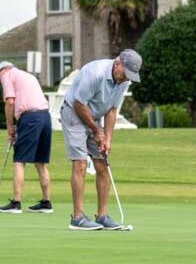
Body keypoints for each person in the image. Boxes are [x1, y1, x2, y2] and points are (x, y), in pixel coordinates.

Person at [59, 49, 142, 231]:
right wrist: (97, 131)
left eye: (130, 76)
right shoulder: (94, 73)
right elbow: (79, 104)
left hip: (94, 116)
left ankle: (102, 215)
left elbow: (112, 110)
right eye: (126, 74)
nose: (126, 79)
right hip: (74, 113)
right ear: (118, 63)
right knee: (80, 163)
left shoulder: (122, 81)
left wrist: (108, 139)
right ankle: (78, 217)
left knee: (102, 164)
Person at [0, 61, 52, 213]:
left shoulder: (7, 75)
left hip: (30, 118)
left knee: (19, 160)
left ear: (3, 70)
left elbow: (10, 102)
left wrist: (10, 127)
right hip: (45, 117)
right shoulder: (27, 75)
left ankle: (16, 203)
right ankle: (46, 202)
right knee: (40, 162)